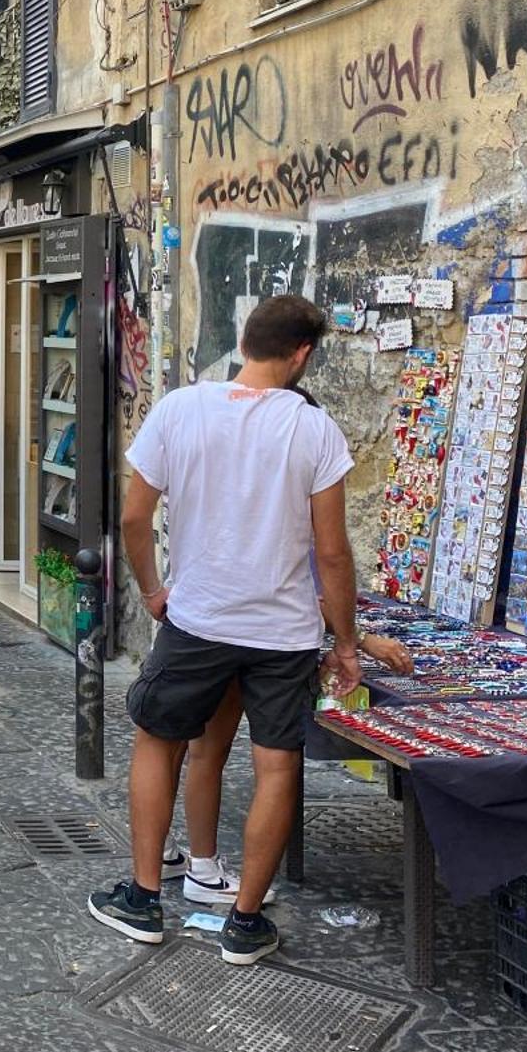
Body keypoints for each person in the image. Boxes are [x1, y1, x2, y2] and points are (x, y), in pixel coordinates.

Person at [90, 294, 360, 966]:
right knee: (276, 764)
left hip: (199, 616)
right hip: (283, 630)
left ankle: (145, 898)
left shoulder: (181, 408)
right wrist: (348, 642)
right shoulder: (313, 429)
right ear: (301, 354)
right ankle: (244, 925)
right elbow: (332, 553)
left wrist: (153, 588)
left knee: (158, 741)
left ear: (244, 342)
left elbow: (132, 517)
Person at [162, 383, 414, 905]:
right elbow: (322, 569)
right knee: (266, 761)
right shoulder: (297, 476)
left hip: (205, 626)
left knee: (192, 749)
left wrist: (153, 591)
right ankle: (230, 896)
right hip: (264, 640)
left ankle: (186, 862)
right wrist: (355, 642)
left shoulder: (230, 468)